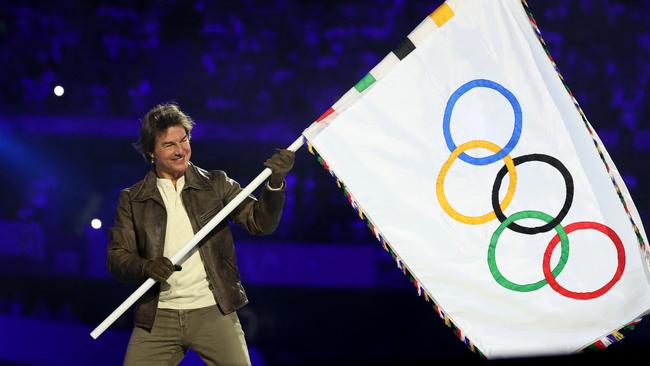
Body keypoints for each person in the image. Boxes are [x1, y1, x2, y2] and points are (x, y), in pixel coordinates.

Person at [107, 103, 294, 365]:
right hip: (158, 316)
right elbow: (117, 258)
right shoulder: (132, 198)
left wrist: (275, 184)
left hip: (213, 310)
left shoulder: (216, 184)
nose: (180, 150)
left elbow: (260, 223)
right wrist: (145, 266)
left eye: (184, 140)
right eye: (169, 145)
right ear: (151, 152)